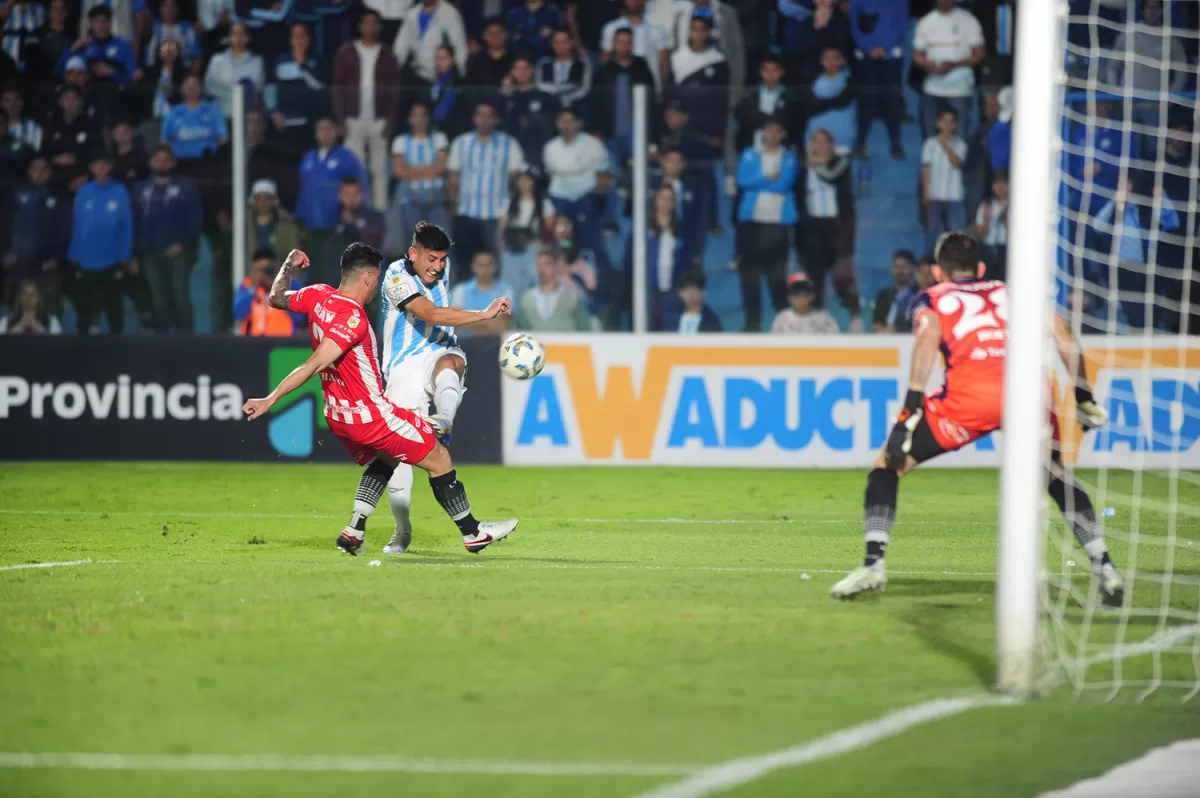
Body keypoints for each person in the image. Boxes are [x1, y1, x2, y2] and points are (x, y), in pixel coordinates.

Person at [830, 232, 1125, 607]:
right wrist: (1083, 396)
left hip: (969, 401)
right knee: (1053, 475)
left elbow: (926, 342)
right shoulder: (1014, 292)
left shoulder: (933, 298)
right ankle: (1105, 568)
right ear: (981, 268)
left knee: (887, 467)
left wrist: (909, 411)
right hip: (1029, 396)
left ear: (937, 271)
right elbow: (1063, 334)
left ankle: (874, 565)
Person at [243, 242, 518, 556]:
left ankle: (354, 530)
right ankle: (473, 533)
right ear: (368, 278)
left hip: (337, 414)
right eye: (376, 280)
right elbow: (315, 363)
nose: (376, 287)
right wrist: (271, 398)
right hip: (370, 414)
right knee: (439, 457)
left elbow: (277, 297)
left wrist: (289, 261)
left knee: (387, 458)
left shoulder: (316, 295)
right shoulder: (353, 319)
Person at [377, 223, 516, 554]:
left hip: (438, 351)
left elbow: (440, 311)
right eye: (431, 259)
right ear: (413, 254)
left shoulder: (441, 266)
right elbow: (432, 312)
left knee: (453, 363)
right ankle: (402, 529)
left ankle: (444, 419)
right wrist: (483, 314)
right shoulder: (396, 277)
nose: (437, 267)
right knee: (397, 457)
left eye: (442, 259)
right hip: (402, 368)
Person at [332, 9, 402, 211]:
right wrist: (340, 119)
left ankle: (379, 213)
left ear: (380, 27)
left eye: (375, 23)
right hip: (352, 119)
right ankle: (355, 209)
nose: (371, 27)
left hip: (378, 119)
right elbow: (337, 88)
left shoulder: (387, 55)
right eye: (367, 23)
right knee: (355, 169)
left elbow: (395, 92)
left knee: (379, 170)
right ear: (360, 26)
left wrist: (391, 120)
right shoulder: (346, 52)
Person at [447, 100, 526, 277]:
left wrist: (510, 211)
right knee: (465, 265)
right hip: (465, 213)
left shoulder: (509, 144)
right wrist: (453, 209)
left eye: (490, 116)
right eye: (481, 115)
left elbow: (515, 180)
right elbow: (453, 178)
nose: (485, 120)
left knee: (495, 264)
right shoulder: (461, 143)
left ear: (497, 119)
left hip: (496, 215)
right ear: (474, 118)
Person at [735, 116, 796, 332]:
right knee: (750, 276)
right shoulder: (750, 155)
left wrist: (759, 182)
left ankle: (783, 322)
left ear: (783, 135)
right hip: (752, 223)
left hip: (778, 225)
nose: (772, 135)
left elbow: (783, 184)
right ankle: (752, 322)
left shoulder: (789, 157)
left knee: (777, 276)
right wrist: (767, 176)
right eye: (768, 131)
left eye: (777, 131)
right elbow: (742, 181)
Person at [132, 145, 202, 333]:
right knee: (158, 298)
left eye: (166, 160)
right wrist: (136, 251)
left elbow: (195, 219)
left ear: (173, 162)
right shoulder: (141, 189)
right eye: (157, 159)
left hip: (177, 250)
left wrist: (182, 242)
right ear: (150, 162)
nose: (162, 164)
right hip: (149, 251)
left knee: (180, 295)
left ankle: (187, 337)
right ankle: (162, 339)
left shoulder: (185, 187)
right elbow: (135, 221)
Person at [69, 149, 133, 334]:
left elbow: (127, 224)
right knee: (85, 303)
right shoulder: (83, 191)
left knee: (113, 302)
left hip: (111, 256)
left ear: (111, 166)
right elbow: (77, 223)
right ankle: (81, 341)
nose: (101, 168)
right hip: (85, 256)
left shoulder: (120, 191)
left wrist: (125, 252)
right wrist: (73, 251)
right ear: (91, 168)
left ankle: (118, 339)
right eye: (97, 164)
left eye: (105, 164)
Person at [0, 156, 68, 313]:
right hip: (18, 260)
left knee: (50, 308)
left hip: (47, 263)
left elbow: (64, 230)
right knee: (14, 307)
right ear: (29, 172)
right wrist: (4, 252)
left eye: (43, 169)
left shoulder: (59, 196)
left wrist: (57, 257)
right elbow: (4, 225)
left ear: (50, 172)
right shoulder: (15, 196)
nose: (39, 173)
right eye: (35, 169)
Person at [798, 128, 854, 311]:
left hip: (836, 226)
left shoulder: (841, 163)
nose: (820, 146)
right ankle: (816, 311)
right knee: (814, 273)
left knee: (841, 272)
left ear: (831, 145)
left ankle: (854, 312)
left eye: (824, 141)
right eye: (816, 141)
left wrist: (816, 164)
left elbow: (832, 177)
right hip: (812, 226)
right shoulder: (803, 168)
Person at [912, 0, 983, 139]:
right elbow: (916, 56)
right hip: (932, 89)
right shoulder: (926, 22)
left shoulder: (968, 21)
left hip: (960, 90)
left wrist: (954, 65)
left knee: (960, 139)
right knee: (930, 137)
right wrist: (928, 64)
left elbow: (979, 55)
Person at [388, 101, 450, 257]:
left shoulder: (439, 138)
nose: (419, 120)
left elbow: (441, 168)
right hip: (410, 201)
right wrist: (430, 169)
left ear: (428, 119)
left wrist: (412, 170)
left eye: (423, 116)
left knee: (441, 243)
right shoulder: (401, 141)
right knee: (414, 244)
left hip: (436, 200)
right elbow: (399, 172)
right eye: (415, 116)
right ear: (410, 119)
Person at [849, 0, 908, 160]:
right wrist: (868, 48)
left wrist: (885, 47)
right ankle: (860, 143)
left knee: (892, 101)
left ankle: (896, 144)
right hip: (865, 56)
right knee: (866, 101)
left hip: (891, 57)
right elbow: (854, 25)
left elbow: (901, 24)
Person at [296, 115, 368, 240]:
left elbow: (361, 188)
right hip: (309, 224)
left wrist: (355, 214)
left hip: (336, 225)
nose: (325, 133)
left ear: (337, 131)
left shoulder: (347, 158)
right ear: (315, 133)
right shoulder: (308, 157)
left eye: (329, 128)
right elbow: (302, 189)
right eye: (321, 129)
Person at [269, 22, 327, 153]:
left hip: (310, 125)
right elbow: (271, 90)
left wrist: (302, 65)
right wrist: (273, 112)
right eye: (296, 36)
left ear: (308, 40)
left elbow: (320, 88)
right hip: (285, 124)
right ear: (291, 40)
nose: (299, 40)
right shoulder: (281, 61)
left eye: (302, 36)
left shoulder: (317, 61)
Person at [497, 167, 554, 300]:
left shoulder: (544, 204)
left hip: (533, 247)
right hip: (512, 248)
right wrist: (502, 245)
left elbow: (549, 229)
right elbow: (501, 227)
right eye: (521, 180)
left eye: (528, 180)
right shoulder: (508, 202)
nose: (524, 183)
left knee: (535, 282)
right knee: (510, 285)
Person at [641, 184, 690, 330]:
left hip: (672, 288)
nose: (667, 203)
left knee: (669, 328)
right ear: (655, 201)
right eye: (663, 199)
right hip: (648, 287)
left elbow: (685, 259)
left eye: (670, 199)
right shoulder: (643, 227)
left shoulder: (681, 228)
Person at [921, 107, 968, 254]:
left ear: (955, 124)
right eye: (944, 121)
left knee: (955, 237)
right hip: (935, 196)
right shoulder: (930, 144)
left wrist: (946, 145)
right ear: (938, 123)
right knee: (933, 235)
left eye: (951, 122)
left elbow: (956, 163)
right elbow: (925, 169)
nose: (947, 125)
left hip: (954, 197)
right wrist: (925, 192)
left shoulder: (961, 144)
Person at [502, 53, 560, 170]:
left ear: (532, 70)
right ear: (511, 72)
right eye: (517, 69)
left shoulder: (545, 95)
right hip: (511, 149)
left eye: (525, 68)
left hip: (538, 150)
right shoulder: (506, 97)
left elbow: (551, 124)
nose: (522, 72)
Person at [513, 247, 592, 332]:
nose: (542, 269)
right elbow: (521, 328)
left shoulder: (573, 295)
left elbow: (584, 327)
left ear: (556, 266)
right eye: (539, 265)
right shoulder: (527, 298)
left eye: (546, 264)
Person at [56, 5, 138, 86]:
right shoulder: (82, 46)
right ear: (91, 23)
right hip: (87, 94)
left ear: (110, 23)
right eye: (97, 22)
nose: (101, 26)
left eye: (105, 21)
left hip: (116, 92)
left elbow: (134, 78)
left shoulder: (124, 46)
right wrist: (72, 50)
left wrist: (112, 73)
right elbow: (58, 73)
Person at [391, 0, 468, 86]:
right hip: (419, 75)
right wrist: (392, 74)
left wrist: (456, 77)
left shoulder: (450, 14)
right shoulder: (412, 14)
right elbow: (400, 48)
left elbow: (460, 49)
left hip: (444, 77)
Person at [600, 0, 669, 90]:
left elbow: (664, 64)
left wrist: (661, 91)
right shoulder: (611, 28)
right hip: (618, 90)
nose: (635, 1)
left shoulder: (658, 30)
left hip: (649, 90)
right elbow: (604, 61)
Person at [234, 247, 303, 336]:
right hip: (252, 343)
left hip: (284, 343)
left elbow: (300, 317)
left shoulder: (290, 284)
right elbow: (239, 313)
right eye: (260, 270)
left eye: (268, 269)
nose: (265, 274)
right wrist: (254, 287)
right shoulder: (247, 286)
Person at [204, 21, 265, 119]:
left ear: (247, 38)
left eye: (242, 34)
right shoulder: (217, 60)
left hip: (245, 117)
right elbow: (209, 88)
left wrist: (225, 85)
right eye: (235, 33)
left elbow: (255, 90)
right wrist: (238, 88)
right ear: (229, 37)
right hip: (220, 116)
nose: (238, 38)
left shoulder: (257, 62)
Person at [161, 74, 228, 163]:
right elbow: (164, 141)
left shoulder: (213, 109)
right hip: (179, 161)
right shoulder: (173, 112)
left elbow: (223, 139)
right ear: (182, 89)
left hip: (207, 160)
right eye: (188, 86)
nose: (191, 89)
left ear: (200, 89)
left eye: (195, 86)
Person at [450, 250, 514, 336]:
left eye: (488, 265)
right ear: (473, 267)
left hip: (496, 345)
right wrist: (491, 320)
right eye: (480, 265)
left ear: (495, 267)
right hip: (465, 345)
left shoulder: (506, 291)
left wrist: (470, 320)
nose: (484, 269)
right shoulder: (460, 290)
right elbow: (456, 321)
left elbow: (503, 325)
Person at [245, 178, 303, 272]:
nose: (263, 202)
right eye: (259, 198)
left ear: (273, 200)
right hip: (252, 276)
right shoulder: (244, 226)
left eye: (267, 198)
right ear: (253, 201)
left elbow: (295, 255)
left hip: (279, 276)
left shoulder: (287, 226)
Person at [535, 27, 592, 111]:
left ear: (571, 43)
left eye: (564, 42)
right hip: (549, 106)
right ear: (552, 44)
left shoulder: (582, 64)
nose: (560, 46)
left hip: (575, 106)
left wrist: (566, 100)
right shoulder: (544, 64)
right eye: (557, 42)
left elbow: (585, 89)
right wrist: (564, 90)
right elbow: (539, 85)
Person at [770, 272, 839, 333]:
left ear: (812, 295)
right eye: (796, 292)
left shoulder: (824, 319)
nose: (801, 296)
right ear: (789, 297)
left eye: (806, 292)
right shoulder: (782, 320)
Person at [973, 168, 1008, 283]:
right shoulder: (986, 205)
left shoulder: (1016, 205)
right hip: (988, 251)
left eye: (1003, 183)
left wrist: (1005, 220)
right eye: (996, 183)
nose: (1000, 187)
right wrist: (986, 220)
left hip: (1006, 251)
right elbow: (979, 234)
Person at [871, 249, 916, 334]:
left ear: (912, 269)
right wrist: (883, 331)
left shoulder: (918, 295)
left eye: (904, 267)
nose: (900, 271)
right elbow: (876, 322)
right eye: (896, 267)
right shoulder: (884, 295)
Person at [143, 0, 201, 66]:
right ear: (160, 8)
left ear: (177, 9)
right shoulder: (152, 27)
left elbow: (197, 58)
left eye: (173, 6)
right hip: (155, 71)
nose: (169, 10)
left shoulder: (188, 30)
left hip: (183, 70)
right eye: (166, 6)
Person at [663, 268, 721, 333]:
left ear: (703, 292)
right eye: (686, 290)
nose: (690, 294)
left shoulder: (711, 320)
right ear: (680, 293)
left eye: (694, 290)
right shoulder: (671, 318)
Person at [465, 15, 513, 90]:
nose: (495, 36)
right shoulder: (475, 59)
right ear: (484, 36)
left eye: (499, 32)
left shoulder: (514, 59)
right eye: (491, 33)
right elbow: (468, 86)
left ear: (506, 35)